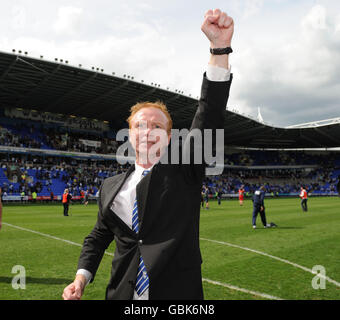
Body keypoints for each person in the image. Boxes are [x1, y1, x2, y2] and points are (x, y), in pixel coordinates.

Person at [62, 8, 234, 300]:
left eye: (157, 125)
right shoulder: (110, 187)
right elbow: (99, 236)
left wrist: (219, 49)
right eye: (140, 125)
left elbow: (208, 115)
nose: (148, 130)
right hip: (121, 294)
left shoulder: (184, 170)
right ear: (130, 135)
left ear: (168, 137)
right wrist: (81, 279)